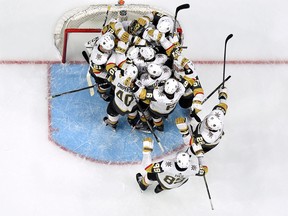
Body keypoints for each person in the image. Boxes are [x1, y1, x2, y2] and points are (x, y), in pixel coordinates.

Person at [175, 87, 228, 163]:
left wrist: (183, 129)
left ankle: (187, 155)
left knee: (193, 150)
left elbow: (190, 142)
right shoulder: (218, 114)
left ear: (209, 128)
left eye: (206, 123)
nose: (206, 121)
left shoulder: (206, 136)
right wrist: (222, 94)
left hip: (207, 144)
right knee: (192, 122)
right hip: (203, 131)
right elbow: (223, 105)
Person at [136, 137, 207, 193]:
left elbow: (147, 167)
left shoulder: (167, 165)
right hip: (175, 184)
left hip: (163, 179)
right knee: (174, 183)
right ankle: (160, 188)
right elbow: (204, 170)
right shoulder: (193, 168)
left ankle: (143, 184)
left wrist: (147, 151)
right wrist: (200, 154)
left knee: (150, 174)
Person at [84, 32, 115, 101]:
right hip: (97, 70)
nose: (109, 50)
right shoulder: (98, 59)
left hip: (101, 63)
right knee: (104, 85)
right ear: (102, 46)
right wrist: (108, 77)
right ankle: (101, 92)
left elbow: (87, 44)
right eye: (108, 49)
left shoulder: (103, 38)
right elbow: (97, 73)